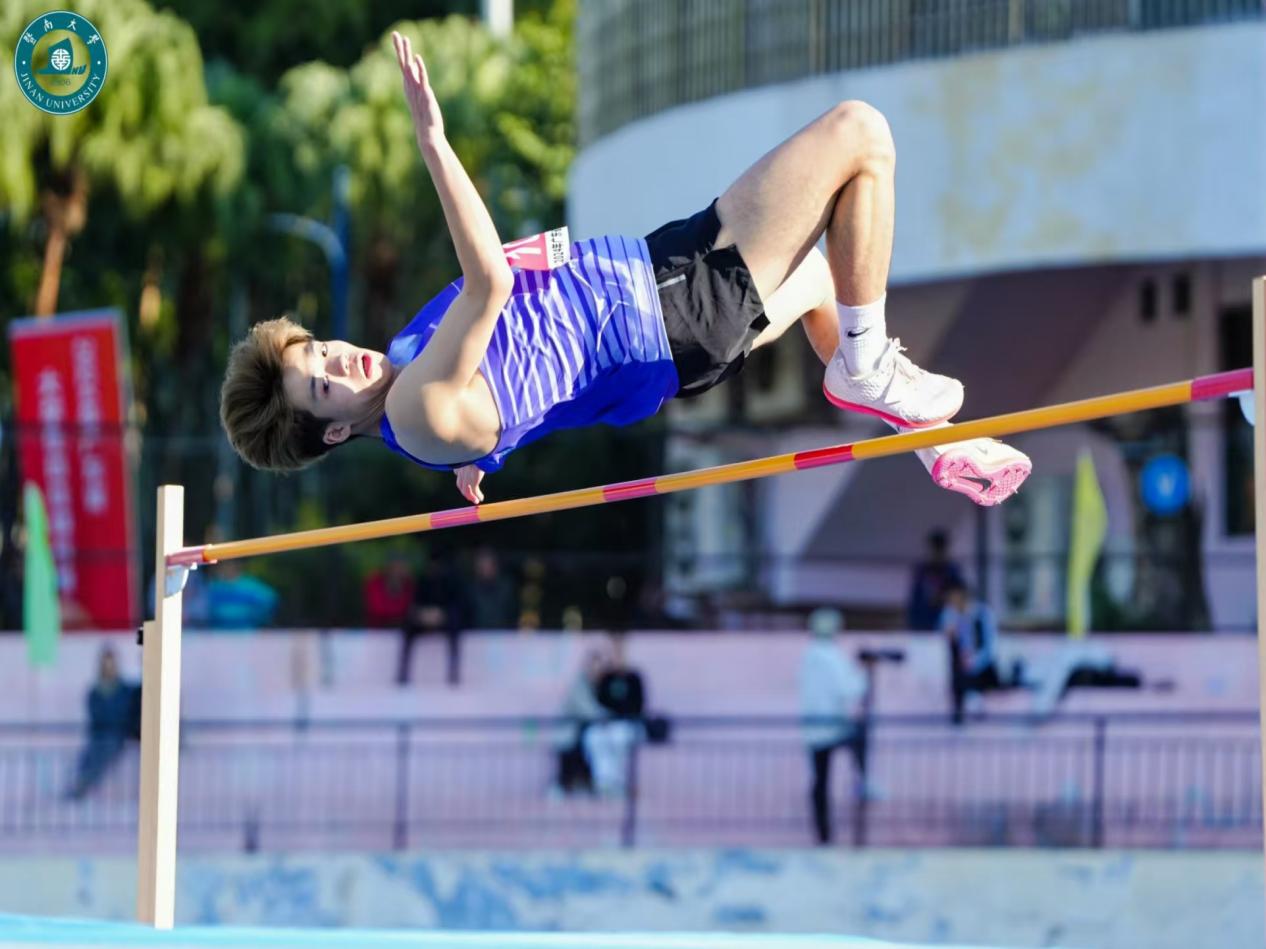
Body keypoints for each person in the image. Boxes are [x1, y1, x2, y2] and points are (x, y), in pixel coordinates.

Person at [219, 33, 1031, 509]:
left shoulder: (407, 384)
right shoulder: (412, 408)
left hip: (656, 278)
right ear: (334, 430)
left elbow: (500, 390)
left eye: (320, 349)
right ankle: (870, 366)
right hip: (667, 315)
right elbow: (490, 284)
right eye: (323, 384)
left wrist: (477, 457)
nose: (339, 360)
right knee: (861, 133)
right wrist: (433, 143)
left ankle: (929, 441)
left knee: (822, 281)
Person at [798, 608, 868, 845]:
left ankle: (823, 834)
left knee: (820, 780)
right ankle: (864, 780)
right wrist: (864, 674)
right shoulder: (830, 656)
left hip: (813, 728)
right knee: (859, 737)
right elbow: (849, 689)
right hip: (832, 726)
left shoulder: (809, 655)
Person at [66, 646, 141, 801]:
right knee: (88, 757)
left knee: (102, 755)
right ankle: (78, 784)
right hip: (99, 736)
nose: (109, 667)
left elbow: (127, 712)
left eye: (111, 663)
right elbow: (95, 714)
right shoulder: (95, 691)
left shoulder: (125, 689)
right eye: (106, 663)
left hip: (116, 736)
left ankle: (82, 787)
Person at [584, 634, 646, 795]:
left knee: (618, 738)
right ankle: (603, 783)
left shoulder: (634, 678)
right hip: (607, 724)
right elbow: (599, 703)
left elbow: (638, 706)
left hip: (627, 724)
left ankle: (619, 784)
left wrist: (620, 717)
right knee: (593, 737)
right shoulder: (606, 679)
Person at [940, 579, 1003, 724]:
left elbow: (990, 647)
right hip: (961, 665)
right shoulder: (950, 614)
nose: (953, 601)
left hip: (983, 665)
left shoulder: (983, 613)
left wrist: (974, 661)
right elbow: (946, 633)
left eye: (955, 597)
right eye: (950, 598)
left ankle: (975, 698)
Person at [398, 548, 462, 685]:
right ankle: (403, 671)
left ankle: (454, 668)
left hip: (443, 619)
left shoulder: (450, 581)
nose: (434, 568)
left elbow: (456, 604)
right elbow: (415, 603)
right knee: (408, 625)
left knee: (455, 621)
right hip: (424, 618)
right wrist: (423, 614)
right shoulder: (423, 580)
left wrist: (441, 614)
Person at [552, 645, 610, 796]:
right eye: (594, 666)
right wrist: (608, 717)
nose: (596, 671)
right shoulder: (579, 685)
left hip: (587, 732)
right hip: (573, 733)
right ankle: (564, 786)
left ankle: (594, 784)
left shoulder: (599, 685)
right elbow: (587, 711)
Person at [906, 528, 966, 631]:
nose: (937, 554)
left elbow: (960, 599)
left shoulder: (953, 571)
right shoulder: (922, 572)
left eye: (940, 550)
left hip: (948, 625)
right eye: (935, 550)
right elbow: (915, 601)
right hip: (923, 623)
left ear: (945, 550)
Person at [363, 553, 415, 628]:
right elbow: (378, 609)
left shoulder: (409, 585)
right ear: (388, 567)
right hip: (377, 629)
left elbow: (411, 609)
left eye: (403, 567)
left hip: (402, 629)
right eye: (396, 567)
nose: (399, 571)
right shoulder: (374, 582)